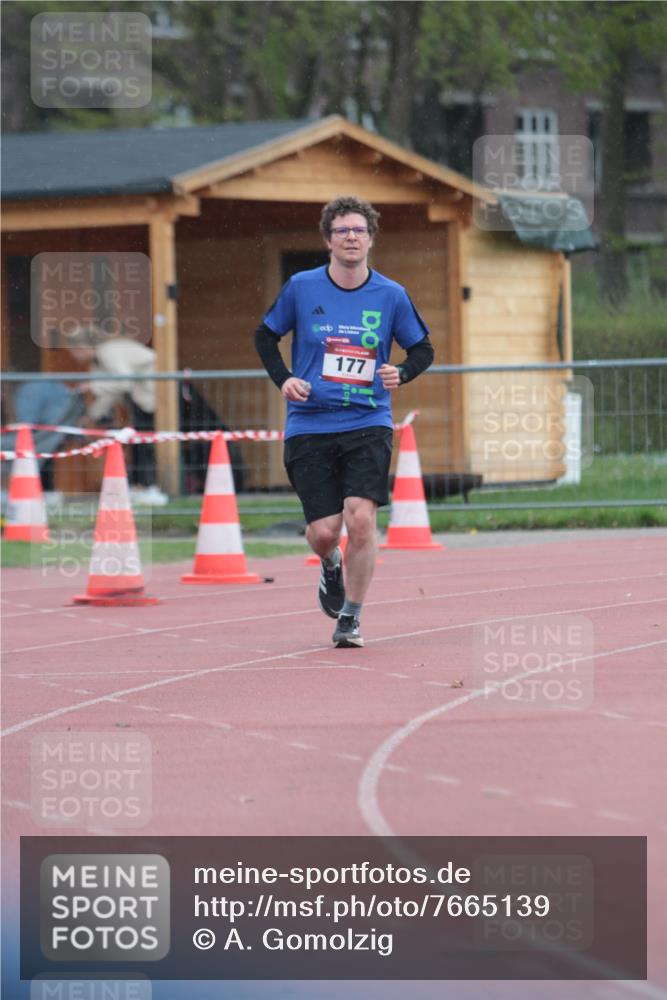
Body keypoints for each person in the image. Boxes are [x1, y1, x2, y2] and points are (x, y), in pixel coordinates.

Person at [255, 195, 434, 648]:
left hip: (367, 420)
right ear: (328, 240)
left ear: (371, 239)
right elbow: (265, 335)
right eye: (342, 231)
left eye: (359, 230)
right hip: (310, 422)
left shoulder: (390, 295)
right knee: (324, 531)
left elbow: (422, 350)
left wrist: (402, 371)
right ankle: (329, 563)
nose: (351, 237)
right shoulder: (301, 287)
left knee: (361, 521)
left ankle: (351, 616)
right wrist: (285, 379)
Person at [65, 327, 167, 503]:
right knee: (138, 443)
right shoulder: (97, 363)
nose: (73, 358)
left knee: (146, 444)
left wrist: (91, 387)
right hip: (143, 400)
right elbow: (109, 393)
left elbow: (123, 382)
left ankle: (152, 488)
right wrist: (92, 415)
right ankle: (142, 486)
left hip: (160, 397)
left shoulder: (109, 352)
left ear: (81, 347)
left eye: (72, 352)